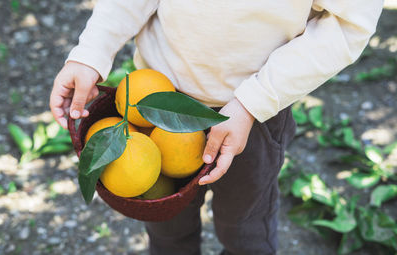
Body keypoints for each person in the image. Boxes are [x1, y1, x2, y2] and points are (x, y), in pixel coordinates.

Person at [50, 1, 383, 254]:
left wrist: (254, 101)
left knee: (245, 229)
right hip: (152, 106)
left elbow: (347, 25)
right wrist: (92, 51)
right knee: (166, 227)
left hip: (251, 113)